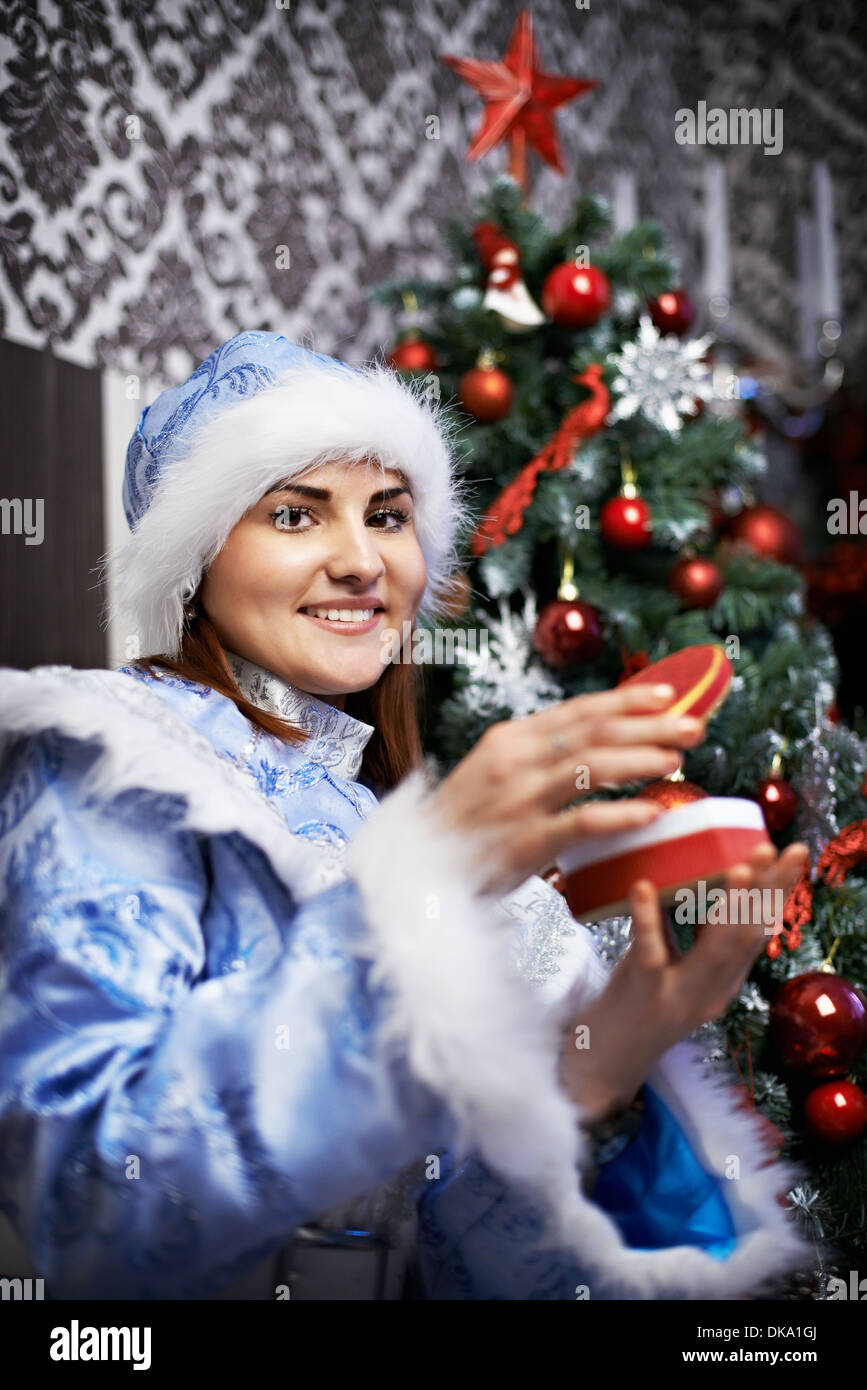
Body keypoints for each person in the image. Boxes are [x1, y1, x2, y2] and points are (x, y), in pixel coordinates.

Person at [0, 330, 815, 1301]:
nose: (361, 560)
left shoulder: (389, 819)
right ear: (196, 554)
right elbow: (93, 1209)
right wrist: (412, 906)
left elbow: (461, 1262)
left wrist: (600, 1075)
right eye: (296, 515)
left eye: (387, 515)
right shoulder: (112, 758)